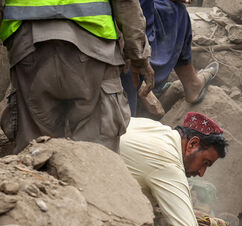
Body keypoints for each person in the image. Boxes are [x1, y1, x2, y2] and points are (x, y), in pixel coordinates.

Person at [0, 0, 154, 152]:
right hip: (94, 46)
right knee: (95, 150)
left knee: (35, 150)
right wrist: (138, 57)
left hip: (28, 46)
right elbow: (126, 4)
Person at [119, 111, 228, 226]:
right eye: (205, 163)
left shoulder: (150, 126)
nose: (201, 173)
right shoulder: (167, 163)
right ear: (192, 144)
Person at [121, 0, 218, 115]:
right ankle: (192, 84)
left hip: (110, 25)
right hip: (113, 38)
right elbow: (129, 15)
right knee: (174, 11)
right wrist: (139, 59)